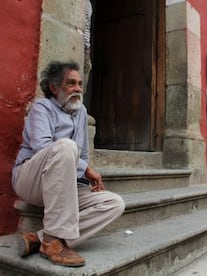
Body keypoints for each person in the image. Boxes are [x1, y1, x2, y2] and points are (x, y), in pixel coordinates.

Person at [12, 61, 125, 267]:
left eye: (80, 84)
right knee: (65, 146)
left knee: (114, 203)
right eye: (71, 84)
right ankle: (54, 243)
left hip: (64, 184)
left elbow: (82, 152)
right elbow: (42, 146)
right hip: (31, 180)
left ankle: (42, 238)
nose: (78, 89)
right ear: (54, 88)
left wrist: (83, 177)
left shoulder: (81, 111)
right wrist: (87, 169)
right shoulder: (42, 107)